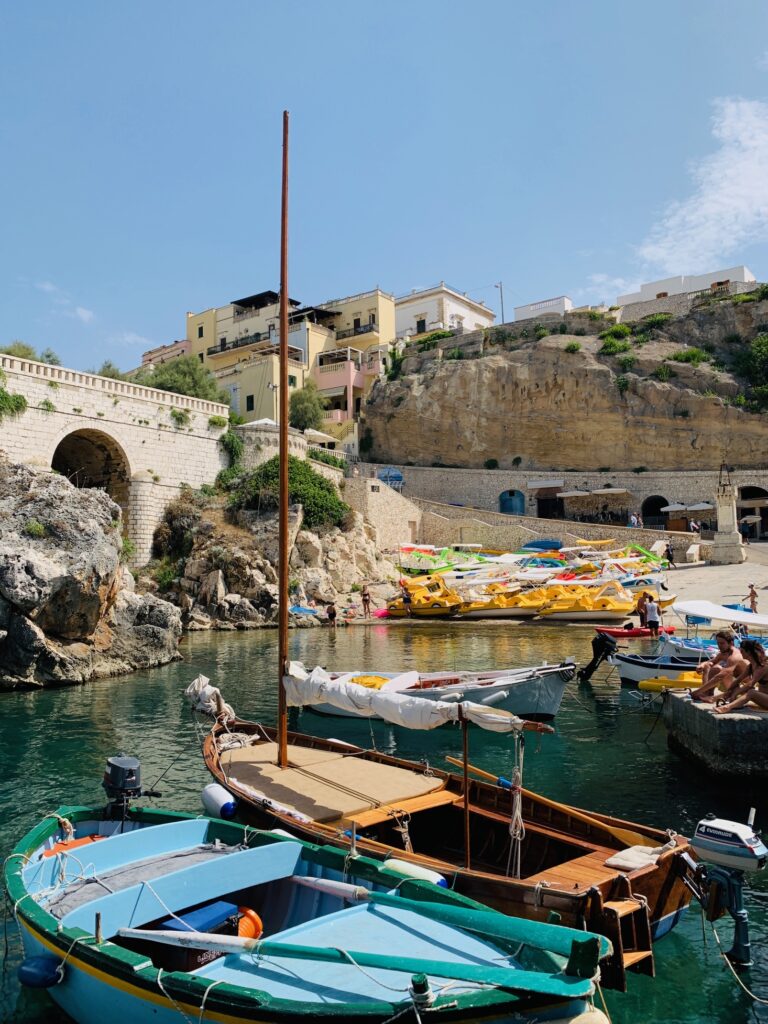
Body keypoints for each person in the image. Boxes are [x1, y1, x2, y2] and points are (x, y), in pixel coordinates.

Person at [690, 630, 747, 702]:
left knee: (721, 671)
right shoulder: (724, 653)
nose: (719, 646)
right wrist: (702, 665)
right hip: (734, 683)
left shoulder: (734, 656)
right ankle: (708, 693)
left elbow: (720, 676)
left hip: (745, 686)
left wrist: (697, 691)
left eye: (722, 643)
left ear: (731, 643)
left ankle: (705, 694)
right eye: (718, 643)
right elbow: (711, 661)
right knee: (711, 666)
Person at [715, 640, 768, 714]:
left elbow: (750, 684)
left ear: (748, 652)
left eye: (742, 651)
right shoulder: (750, 667)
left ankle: (727, 707)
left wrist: (736, 693)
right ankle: (734, 703)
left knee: (751, 691)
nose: (740, 653)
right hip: (763, 700)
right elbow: (738, 680)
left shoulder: (763, 667)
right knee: (735, 686)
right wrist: (729, 691)